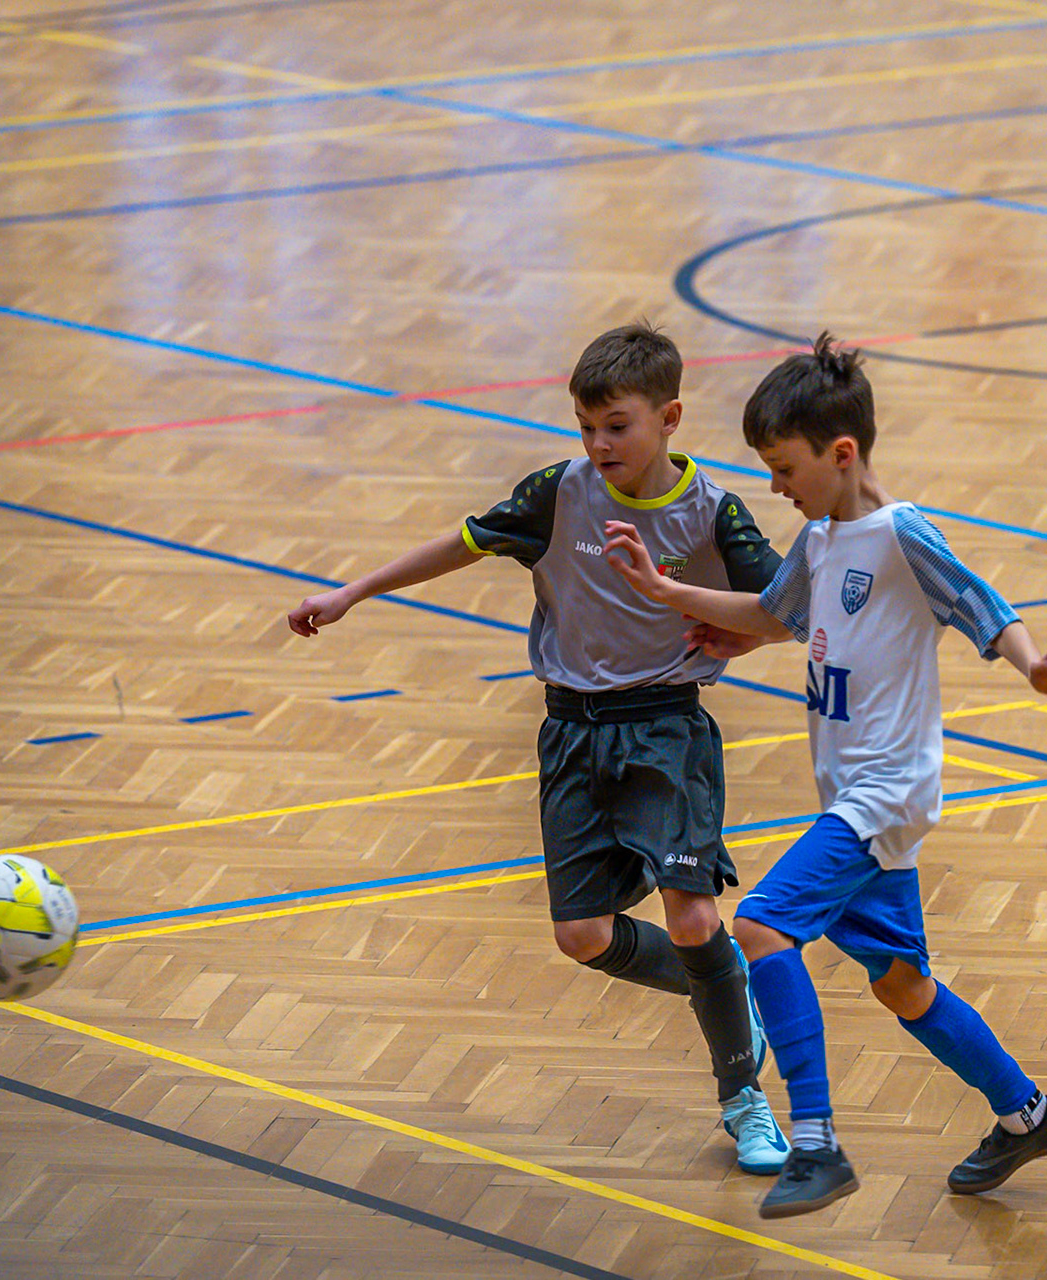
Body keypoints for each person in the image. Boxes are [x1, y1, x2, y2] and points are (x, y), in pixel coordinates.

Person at [602, 333, 1047, 1217]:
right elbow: (774, 613)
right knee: (902, 983)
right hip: (853, 796)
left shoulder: (901, 536)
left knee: (761, 927)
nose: (777, 487)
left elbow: (987, 611)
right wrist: (669, 594)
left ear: (840, 453)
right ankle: (1028, 1115)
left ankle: (818, 1143)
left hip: (885, 794)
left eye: (785, 469)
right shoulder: (821, 541)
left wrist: (1039, 671)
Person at [288, 323, 790, 1173]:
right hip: (570, 735)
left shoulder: (713, 512)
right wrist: (354, 592)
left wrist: (748, 637)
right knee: (583, 936)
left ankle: (744, 1098)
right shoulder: (558, 494)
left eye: (617, 427)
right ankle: (722, 981)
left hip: (666, 730)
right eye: (586, 427)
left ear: (669, 418)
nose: (599, 445)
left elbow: (786, 606)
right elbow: (463, 542)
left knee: (693, 914)